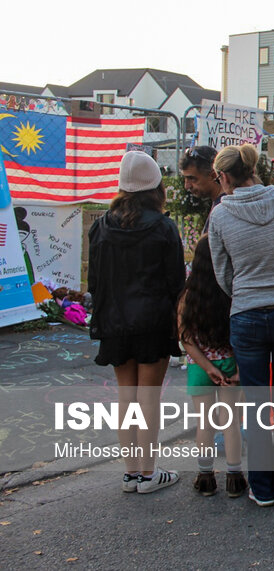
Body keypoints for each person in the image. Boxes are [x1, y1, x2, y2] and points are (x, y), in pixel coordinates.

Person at [209, 144, 274, 509]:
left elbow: (224, 275)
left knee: (255, 405)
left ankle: (262, 489)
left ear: (223, 176)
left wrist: (248, 293)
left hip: (247, 314)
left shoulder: (220, 217)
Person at [88, 151, 185, 493]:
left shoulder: (101, 226)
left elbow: (94, 281)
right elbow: (177, 282)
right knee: (149, 398)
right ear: (155, 187)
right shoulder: (163, 227)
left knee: (126, 397)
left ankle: (131, 473)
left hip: (114, 322)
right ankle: (148, 473)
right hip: (153, 321)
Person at [178, 236, 247, 498]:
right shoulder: (232, 290)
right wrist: (239, 367)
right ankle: (234, 477)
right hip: (230, 363)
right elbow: (242, 333)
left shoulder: (188, 296)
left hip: (199, 368)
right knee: (231, 423)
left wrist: (207, 367)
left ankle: (205, 477)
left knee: (204, 425)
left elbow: (186, 339)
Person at [180, 146, 223, 232]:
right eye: (185, 179)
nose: (187, 186)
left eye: (192, 178)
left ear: (213, 175)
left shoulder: (223, 212)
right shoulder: (220, 205)